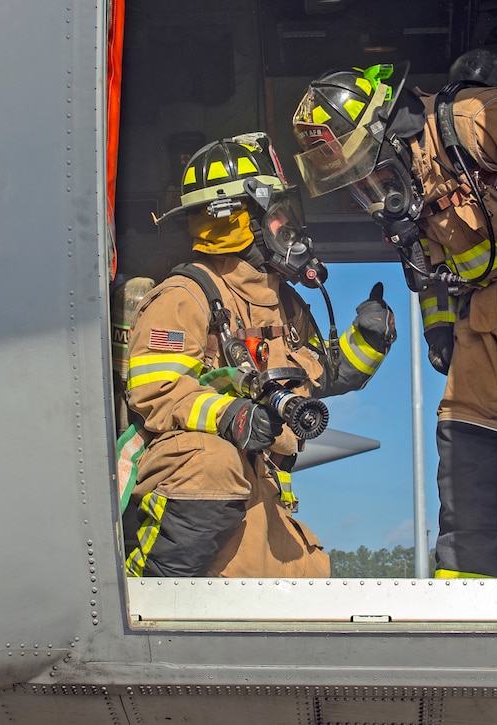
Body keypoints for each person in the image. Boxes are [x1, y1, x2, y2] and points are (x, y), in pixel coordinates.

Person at [289, 62, 497, 579]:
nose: (369, 189)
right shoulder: (409, 182)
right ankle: (466, 582)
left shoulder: (480, 121)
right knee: (463, 438)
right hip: (480, 314)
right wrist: (438, 325)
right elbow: (432, 271)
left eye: (369, 170)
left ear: (393, 135)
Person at [121, 132, 396, 578]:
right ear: (233, 219)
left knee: (310, 575)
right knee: (214, 464)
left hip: (265, 493)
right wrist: (233, 415)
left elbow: (315, 374)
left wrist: (365, 344)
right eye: (277, 215)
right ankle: (151, 593)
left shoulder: (283, 301)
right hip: (203, 487)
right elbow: (160, 392)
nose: (287, 228)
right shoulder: (183, 297)